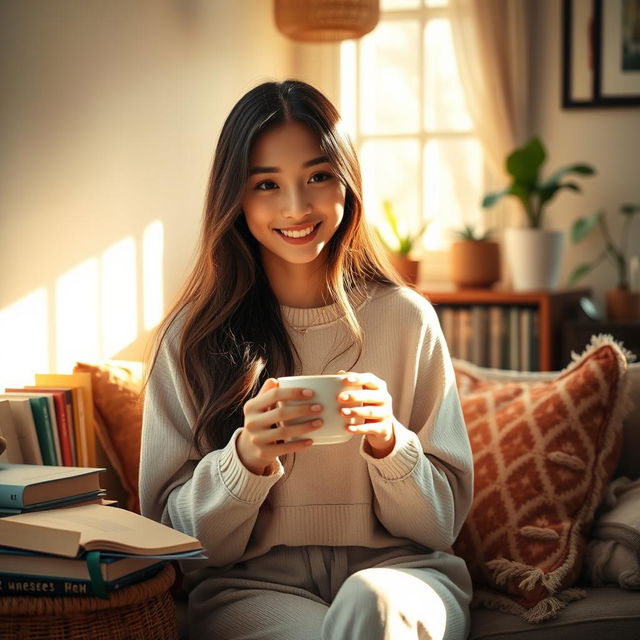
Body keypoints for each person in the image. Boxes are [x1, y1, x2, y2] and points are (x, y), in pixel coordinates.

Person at [139, 79, 473, 640]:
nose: (296, 206)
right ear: (235, 198)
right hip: (252, 589)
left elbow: (441, 526)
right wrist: (244, 458)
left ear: (347, 180)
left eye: (318, 176)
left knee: (373, 609)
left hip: (405, 574)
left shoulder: (408, 318)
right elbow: (175, 541)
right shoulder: (190, 337)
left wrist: (391, 444)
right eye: (266, 184)